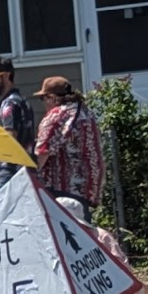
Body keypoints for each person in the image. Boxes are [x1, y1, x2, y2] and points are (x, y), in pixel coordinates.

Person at [33, 77, 105, 214]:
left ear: (52, 98)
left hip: (62, 188)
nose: (43, 103)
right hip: (86, 188)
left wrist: (29, 176)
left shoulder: (56, 116)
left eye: (43, 98)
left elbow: (43, 152)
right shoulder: (86, 113)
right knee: (81, 225)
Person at [0, 56, 35, 194]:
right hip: (26, 171)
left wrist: (1, 175)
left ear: (6, 75)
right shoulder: (23, 101)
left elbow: (9, 138)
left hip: (10, 172)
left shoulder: (9, 104)